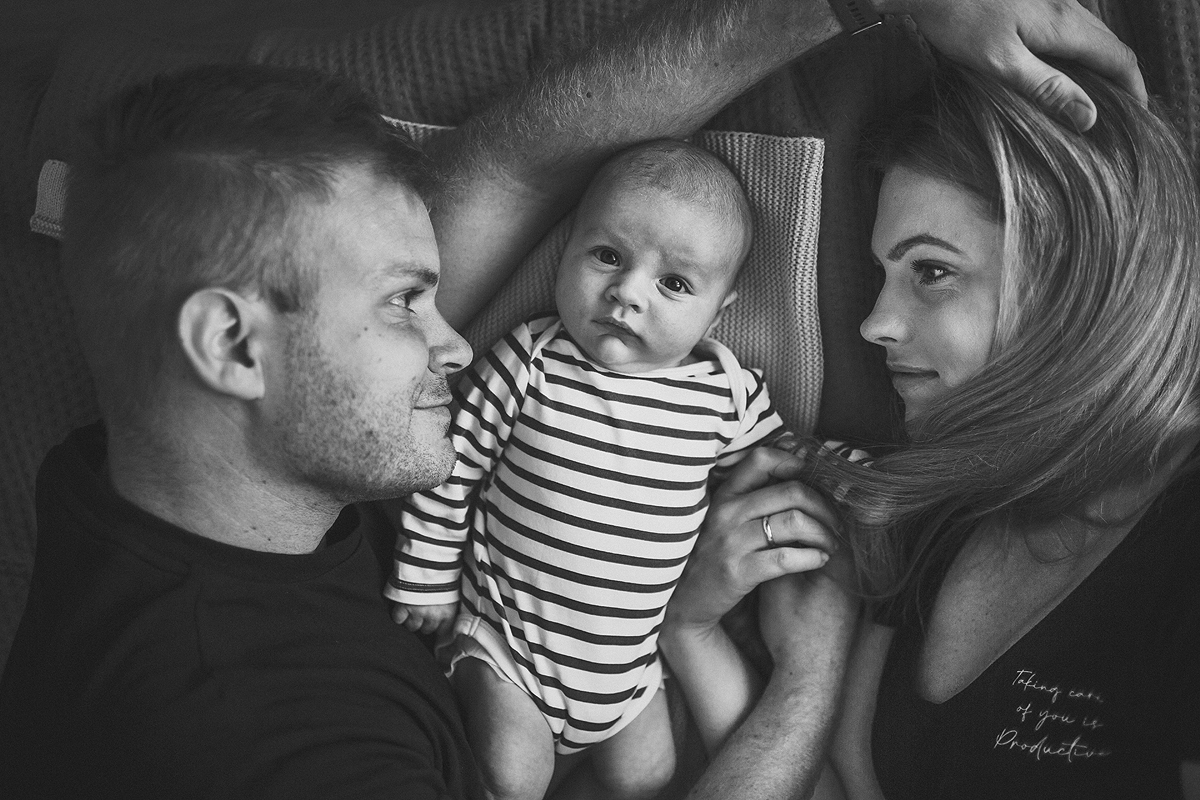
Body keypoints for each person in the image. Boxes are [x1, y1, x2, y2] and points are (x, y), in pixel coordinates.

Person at [0, 0, 1149, 796]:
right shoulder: (282, 749)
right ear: (230, 342)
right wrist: (806, 679)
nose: (459, 340)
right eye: (406, 302)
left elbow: (513, 165)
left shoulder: (181, 486)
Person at [660, 59, 1200, 800]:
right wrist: (699, 634)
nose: (875, 324)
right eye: (884, 274)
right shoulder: (934, 513)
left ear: (1080, 278)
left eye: (932, 272)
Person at [388, 139, 782, 800]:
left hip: (626, 672)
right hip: (508, 649)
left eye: (674, 284)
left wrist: (839, 473)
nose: (626, 292)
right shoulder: (532, 359)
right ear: (567, 248)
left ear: (719, 311)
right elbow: (450, 463)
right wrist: (426, 574)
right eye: (607, 256)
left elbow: (777, 467)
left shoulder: (725, 391)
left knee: (648, 778)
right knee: (514, 777)